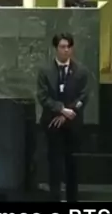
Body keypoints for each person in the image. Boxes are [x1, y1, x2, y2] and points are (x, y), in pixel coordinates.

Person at [36, 33, 90, 202]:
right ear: (56, 48)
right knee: (54, 166)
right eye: (62, 47)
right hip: (52, 125)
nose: (66, 50)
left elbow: (84, 96)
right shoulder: (45, 71)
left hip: (73, 126)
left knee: (72, 166)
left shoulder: (81, 71)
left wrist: (67, 113)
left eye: (69, 47)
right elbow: (43, 97)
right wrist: (60, 109)